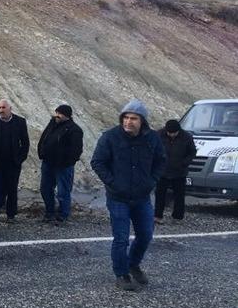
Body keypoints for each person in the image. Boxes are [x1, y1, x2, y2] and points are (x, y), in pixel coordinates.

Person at [91, 99, 165, 291]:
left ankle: (133, 263)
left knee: (146, 234)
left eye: (133, 118)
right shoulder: (110, 137)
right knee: (121, 237)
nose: (128, 122)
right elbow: (98, 162)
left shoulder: (152, 139)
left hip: (142, 197)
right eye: (125, 117)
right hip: (118, 197)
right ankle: (121, 274)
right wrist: (113, 183)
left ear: (142, 121)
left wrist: (151, 181)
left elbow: (161, 161)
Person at [37, 104, 84, 224]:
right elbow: (44, 139)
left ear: (66, 115)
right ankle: (49, 212)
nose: (57, 115)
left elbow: (76, 150)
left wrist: (67, 162)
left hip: (63, 166)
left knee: (63, 191)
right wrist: (41, 152)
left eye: (60, 113)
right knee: (45, 189)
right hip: (48, 163)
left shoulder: (75, 130)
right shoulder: (52, 124)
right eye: (56, 112)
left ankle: (63, 215)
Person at [0, 99, 29, 223]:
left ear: (10, 108)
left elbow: (25, 143)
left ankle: (11, 215)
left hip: (13, 163)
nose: (0, 110)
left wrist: (20, 159)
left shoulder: (20, 122)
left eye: (3, 108)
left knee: (12, 189)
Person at [154, 119, 196, 224]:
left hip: (179, 172)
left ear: (178, 131)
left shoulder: (187, 137)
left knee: (179, 195)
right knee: (160, 194)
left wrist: (184, 163)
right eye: (169, 133)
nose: (171, 135)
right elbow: (152, 150)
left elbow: (192, 152)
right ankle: (157, 216)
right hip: (162, 171)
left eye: (174, 133)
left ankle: (177, 217)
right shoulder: (159, 135)